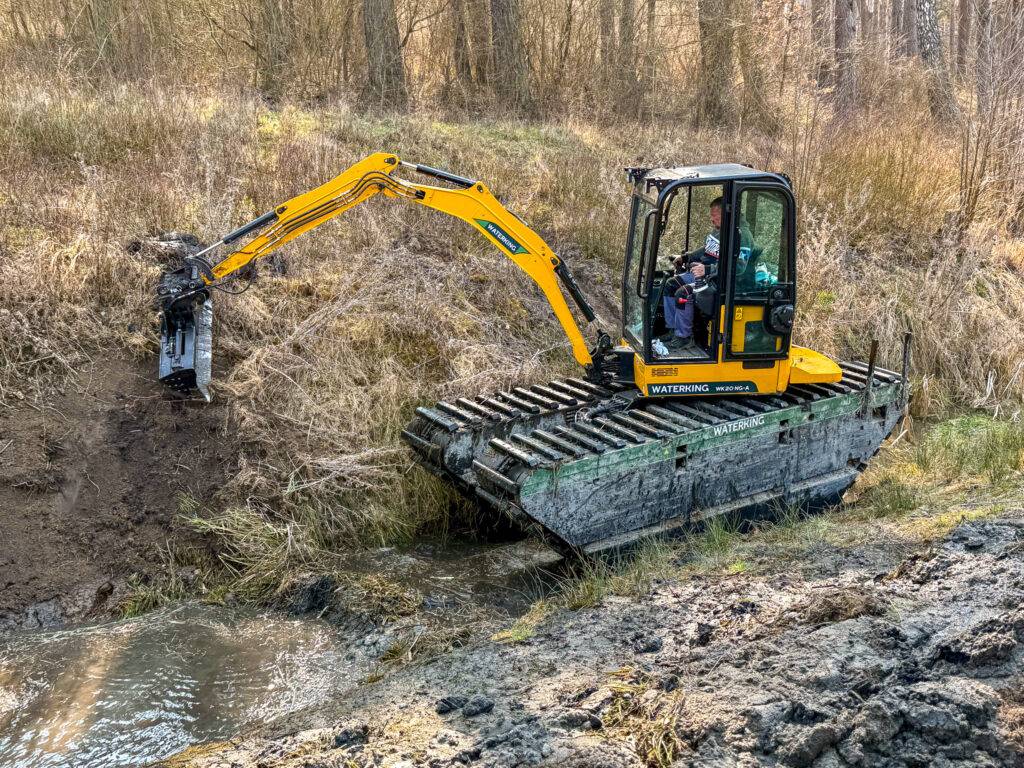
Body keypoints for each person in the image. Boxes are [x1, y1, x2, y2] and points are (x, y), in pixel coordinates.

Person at [658, 197, 756, 357]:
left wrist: (708, 269)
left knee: (683, 294)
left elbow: (739, 267)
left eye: (715, 215)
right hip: (703, 274)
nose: (712, 219)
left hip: (719, 281)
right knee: (670, 285)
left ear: (726, 214)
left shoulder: (743, 235)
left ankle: (684, 337)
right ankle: (673, 330)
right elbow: (707, 249)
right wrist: (687, 257)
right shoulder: (721, 228)